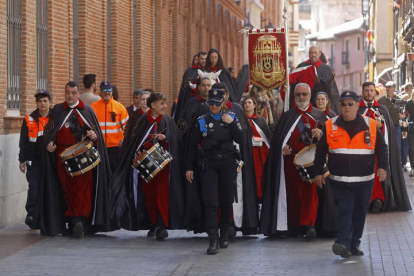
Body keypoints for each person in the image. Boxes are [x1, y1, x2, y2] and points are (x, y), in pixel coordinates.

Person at [314, 91, 388, 258]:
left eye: (350, 104)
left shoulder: (370, 124)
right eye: (343, 104)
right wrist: (318, 172)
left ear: (357, 105)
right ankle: (342, 242)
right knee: (345, 210)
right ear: (339, 106)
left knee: (359, 213)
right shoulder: (330, 125)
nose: (347, 107)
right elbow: (320, 151)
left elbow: (382, 149)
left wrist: (383, 167)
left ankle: (354, 244)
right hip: (339, 180)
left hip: (364, 180)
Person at [35, 81, 113, 237]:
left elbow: (97, 137)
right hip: (61, 157)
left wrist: (94, 136)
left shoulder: (88, 111)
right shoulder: (57, 110)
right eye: (67, 92)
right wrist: (49, 144)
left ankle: (80, 221)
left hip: (83, 157)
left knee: (82, 190)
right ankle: (70, 222)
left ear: (79, 94)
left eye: (73, 92)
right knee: (65, 190)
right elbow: (49, 134)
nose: (70, 96)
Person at [110, 92, 184, 241]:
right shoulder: (143, 121)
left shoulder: (169, 121)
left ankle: (162, 226)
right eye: (161, 103)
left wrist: (166, 138)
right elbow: (133, 141)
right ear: (153, 105)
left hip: (164, 165)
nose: (165, 106)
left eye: (165, 103)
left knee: (162, 194)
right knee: (149, 195)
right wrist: (136, 153)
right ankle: (153, 223)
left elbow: (176, 141)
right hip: (145, 165)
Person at [259, 83, 327, 240]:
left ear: (310, 96)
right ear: (294, 97)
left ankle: (309, 225)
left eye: (304, 94)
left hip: (312, 162)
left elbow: (330, 141)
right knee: (292, 194)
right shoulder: (287, 116)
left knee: (311, 195)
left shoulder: (319, 116)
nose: (301, 97)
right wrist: (283, 146)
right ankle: (294, 226)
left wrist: (322, 134)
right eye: (298, 95)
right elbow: (278, 141)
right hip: (290, 162)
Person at [186, 88, 242, 254]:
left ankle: (224, 231)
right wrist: (189, 167)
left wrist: (232, 125)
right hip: (209, 164)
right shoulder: (202, 120)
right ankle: (213, 239)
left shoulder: (231, 117)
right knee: (210, 202)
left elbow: (240, 138)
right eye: (211, 103)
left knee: (226, 201)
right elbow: (193, 145)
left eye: (217, 104)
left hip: (228, 163)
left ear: (223, 103)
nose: (213, 106)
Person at [358, 82, 411, 212]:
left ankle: (379, 201)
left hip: (378, 150)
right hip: (361, 151)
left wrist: (381, 127)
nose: (369, 93)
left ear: (374, 92)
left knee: (379, 173)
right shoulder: (357, 110)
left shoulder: (382, 109)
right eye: (366, 90)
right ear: (363, 92)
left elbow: (389, 130)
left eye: (371, 90)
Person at [18, 90, 52, 229]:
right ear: (36, 103)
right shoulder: (29, 118)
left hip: (51, 161)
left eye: (45, 100)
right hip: (34, 161)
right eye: (40, 101)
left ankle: (50, 216)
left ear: (50, 102)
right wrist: (22, 160)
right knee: (34, 188)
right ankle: (31, 215)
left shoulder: (55, 117)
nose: (42, 104)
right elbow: (24, 141)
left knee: (50, 188)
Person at [313, 91, 338, 235]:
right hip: (315, 159)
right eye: (318, 99)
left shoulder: (333, 116)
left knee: (330, 194)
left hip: (330, 160)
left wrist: (322, 133)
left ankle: (330, 227)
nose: (321, 101)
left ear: (327, 101)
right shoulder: (311, 114)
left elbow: (336, 135)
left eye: (323, 99)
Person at [288, 45, 340, 113]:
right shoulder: (301, 67)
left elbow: (332, 90)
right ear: (309, 54)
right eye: (311, 53)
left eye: (315, 53)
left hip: (322, 106)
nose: (313, 55)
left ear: (319, 54)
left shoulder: (326, 68)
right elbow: (293, 87)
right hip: (304, 105)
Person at [91, 81, 129, 173]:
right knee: (101, 175)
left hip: (115, 148)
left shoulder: (120, 107)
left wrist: (123, 139)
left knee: (115, 174)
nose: (106, 92)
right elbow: (90, 126)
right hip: (99, 147)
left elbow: (128, 127)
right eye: (104, 90)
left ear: (112, 91)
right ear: (100, 91)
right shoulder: (93, 107)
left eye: (109, 90)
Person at [242, 96, 271, 203]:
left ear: (254, 105)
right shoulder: (241, 120)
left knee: (258, 176)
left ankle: (258, 199)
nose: (247, 104)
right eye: (245, 103)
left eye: (250, 102)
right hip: (245, 153)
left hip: (259, 153)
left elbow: (267, 137)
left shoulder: (261, 120)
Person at [174, 51, 208, 122]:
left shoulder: (209, 71)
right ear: (198, 59)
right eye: (202, 59)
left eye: (205, 59)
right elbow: (185, 89)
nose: (204, 61)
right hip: (192, 102)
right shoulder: (190, 71)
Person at [379, 81, 403, 151]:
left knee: (397, 146)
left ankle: (397, 161)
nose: (387, 89)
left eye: (389, 87)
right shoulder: (381, 100)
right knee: (385, 145)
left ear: (394, 88)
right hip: (385, 126)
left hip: (396, 126)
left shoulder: (399, 100)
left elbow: (403, 113)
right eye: (386, 87)